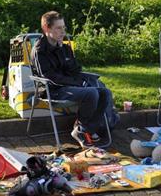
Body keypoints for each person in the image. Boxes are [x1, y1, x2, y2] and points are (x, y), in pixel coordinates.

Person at [31, 11, 111, 148]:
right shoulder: (39, 51)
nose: (63, 32)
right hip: (52, 90)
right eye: (58, 28)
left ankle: (85, 129)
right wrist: (78, 83)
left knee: (105, 92)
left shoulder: (65, 48)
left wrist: (83, 80)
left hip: (70, 87)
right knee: (91, 93)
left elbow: (75, 70)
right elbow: (50, 77)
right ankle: (82, 129)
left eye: (64, 27)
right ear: (46, 29)